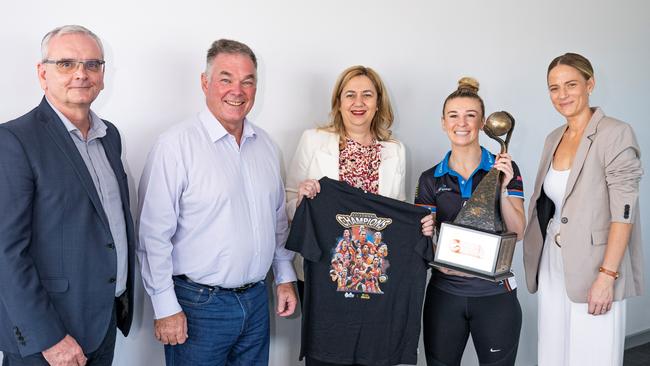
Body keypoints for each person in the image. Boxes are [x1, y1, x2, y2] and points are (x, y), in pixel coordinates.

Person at [137, 39, 297, 366]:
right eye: (226, 78)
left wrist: (285, 277)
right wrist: (165, 307)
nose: (237, 90)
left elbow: (278, 222)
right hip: (198, 306)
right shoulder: (174, 147)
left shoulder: (266, 146)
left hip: (256, 302)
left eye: (248, 81)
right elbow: (152, 236)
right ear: (205, 82)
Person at [0, 25, 135, 366]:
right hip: (48, 338)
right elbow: (5, 252)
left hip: (101, 323)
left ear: (103, 75)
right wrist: (49, 337)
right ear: (42, 73)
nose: (81, 74)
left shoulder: (110, 136)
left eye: (92, 64)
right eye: (66, 64)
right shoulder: (14, 140)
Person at [285, 65, 434, 366]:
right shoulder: (313, 141)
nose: (358, 102)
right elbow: (288, 203)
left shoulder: (395, 150)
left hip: (376, 277)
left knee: (373, 355)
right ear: (338, 102)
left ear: (378, 102)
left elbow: (398, 212)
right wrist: (303, 198)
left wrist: (421, 226)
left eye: (367, 95)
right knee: (327, 356)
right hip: (327, 274)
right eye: (350, 95)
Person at [523, 52, 643, 366]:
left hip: (596, 265)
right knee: (552, 351)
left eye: (571, 84)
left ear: (590, 84)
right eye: (554, 88)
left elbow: (624, 212)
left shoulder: (615, 133)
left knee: (593, 355)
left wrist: (607, 276)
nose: (562, 95)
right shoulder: (553, 138)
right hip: (552, 259)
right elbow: (548, 203)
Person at [415, 77, 526, 366]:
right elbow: (423, 242)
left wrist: (502, 188)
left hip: (494, 296)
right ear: (443, 122)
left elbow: (519, 231)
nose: (461, 123)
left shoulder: (506, 168)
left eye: (470, 116)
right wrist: (424, 231)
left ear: (483, 123)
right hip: (444, 295)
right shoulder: (430, 178)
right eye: (453, 115)